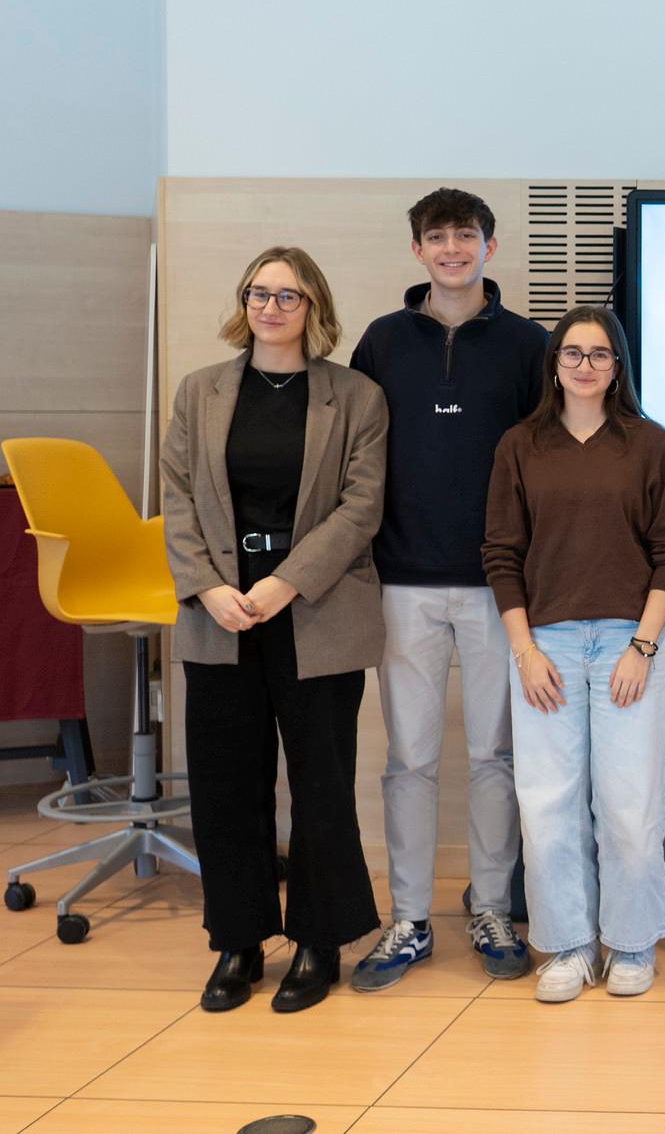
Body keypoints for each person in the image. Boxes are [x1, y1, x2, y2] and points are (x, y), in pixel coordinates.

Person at [161, 246, 387, 1014]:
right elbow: (178, 498)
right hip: (221, 614)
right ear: (243, 301)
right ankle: (239, 939)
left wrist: (286, 581)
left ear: (313, 306)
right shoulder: (200, 392)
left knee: (321, 783)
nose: (271, 307)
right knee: (227, 783)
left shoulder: (355, 395)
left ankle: (319, 939)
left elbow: (362, 505)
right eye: (259, 293)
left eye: (288, 296)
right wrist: (208, 586)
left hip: (314, 608)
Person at [347, 187, 547, 993]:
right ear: (418, 250)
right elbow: (353, 457)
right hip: (403, 581)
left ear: (490, 248)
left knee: (496, 755)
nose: (453, 248)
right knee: (410, 760)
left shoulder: (531, 344)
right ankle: (408, 919)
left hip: (503, 587)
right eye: (439, 237)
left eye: (467, 235)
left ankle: (494, 906)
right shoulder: (382, 342)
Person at [483, 305, 665, 1003]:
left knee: (629, 804)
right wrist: (524, 650)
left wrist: (641, 643)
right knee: (549, 804)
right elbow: (501, 554)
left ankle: (632, 942)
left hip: (632, 643)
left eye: (599, 354)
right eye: (571, 353)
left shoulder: (647, 442)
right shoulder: (521, 444)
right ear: (554, 364)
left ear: (618, 365)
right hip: (545, 645)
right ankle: (570, 944)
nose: (584, 365)